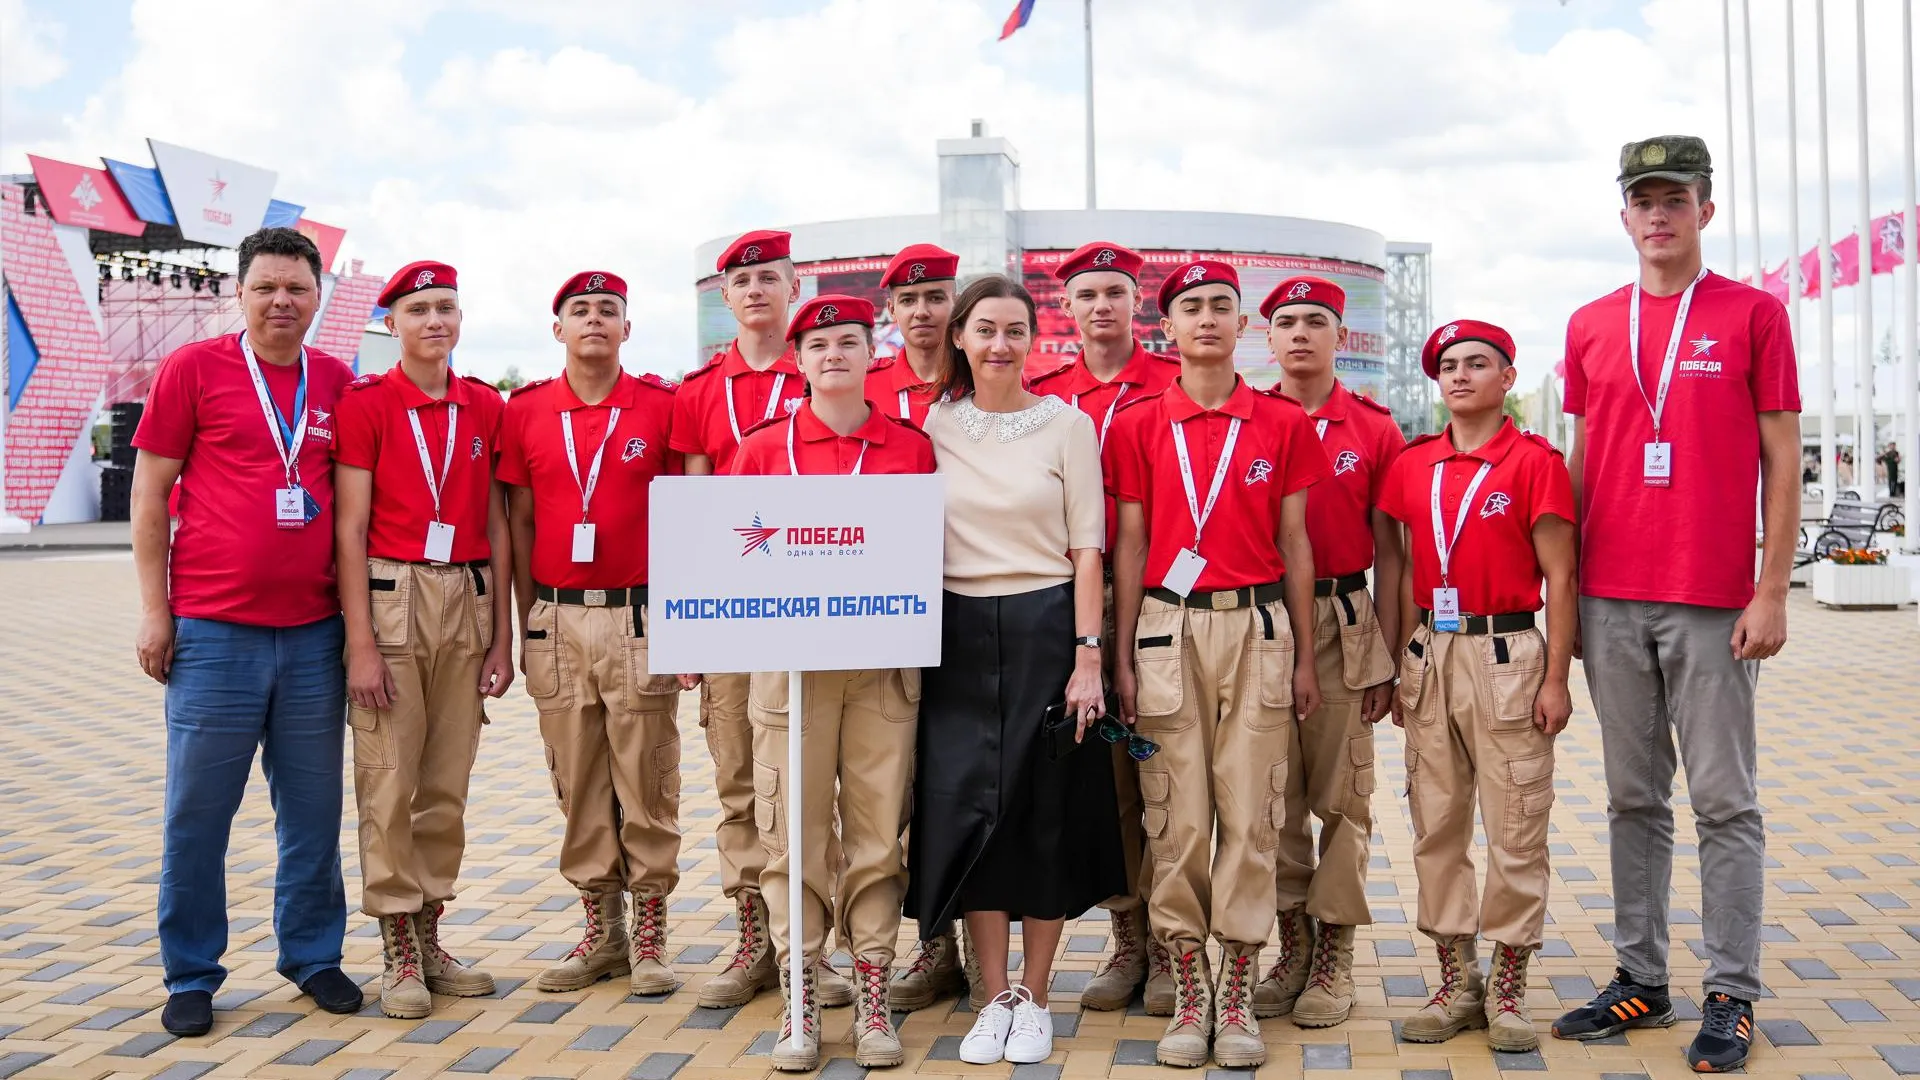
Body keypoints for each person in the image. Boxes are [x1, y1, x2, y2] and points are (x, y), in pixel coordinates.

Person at [1550, 137, 1802, 1074]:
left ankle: (1731, 988)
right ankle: (1641, 977)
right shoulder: (1588, 323)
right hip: (1612, 595)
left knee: (1725, 801)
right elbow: (1584, 460)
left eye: (1676, 199)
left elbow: (1784, 461)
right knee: (1629, 797)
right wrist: (1566, 602)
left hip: (1711, 598)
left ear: (1705, 210)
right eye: (1642, 200)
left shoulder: (1753, 316)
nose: (1658, 215)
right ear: (1624, 217)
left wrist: (1771, 587)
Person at [130, 227, 363, 1036]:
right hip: (214, 635)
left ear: (317, 295)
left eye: (296, 288)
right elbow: (151, 496)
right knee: (197, 814)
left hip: (311, 638)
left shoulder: (338, 381)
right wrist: (157, 611)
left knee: (311, 814)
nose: (281, 302)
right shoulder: (193, 370)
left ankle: (313, 957)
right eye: (265, 287)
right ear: (241, 293)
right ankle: (191, 972)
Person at [1107, 260, 1328, 1069]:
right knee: (1176, 815)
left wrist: (1306, 654)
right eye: (1191, 306)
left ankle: (1237, 988)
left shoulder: (1279, 422)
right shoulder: (1136, 422)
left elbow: (1297, 543)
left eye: (1222, 306)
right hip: (1167, 629)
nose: (1207, 317)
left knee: (1254, 813)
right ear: (1167, 327)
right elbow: (1130, 543)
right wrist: (1122, 654)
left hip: (1259, 625)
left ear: (1244, 326)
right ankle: (1187, 988)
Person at [907, 274, 1123, 1067]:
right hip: (955, 631)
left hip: (1046, 628)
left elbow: (1087, 549)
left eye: (1015, 330)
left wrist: (1087, 656)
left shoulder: (1068, 426)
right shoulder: (930, 427)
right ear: (959, 337)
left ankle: (1036, 994)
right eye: (985, 329)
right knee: (972, 811)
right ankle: (990, 995)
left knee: (1043, 809)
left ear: (1035, 340)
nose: (1000, 344)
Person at [733, 295, 938, 1071]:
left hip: (883, 667)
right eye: (819, 345)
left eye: (849, 342)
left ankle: (875, 984)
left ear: (869, 352)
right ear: (799, 359)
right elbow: (729, 554)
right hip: (793, 672)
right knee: (794, 834)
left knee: (880, 833)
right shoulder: (763, 449)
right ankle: (802, 992)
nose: (834, 357)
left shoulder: (908, 448)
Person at [1382, 320, 1576, 1053]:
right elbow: (1396, 567)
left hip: (1508, 653)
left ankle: (1508, 985)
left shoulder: (1533, 463)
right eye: (1449, 366)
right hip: (1433, 650)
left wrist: (1555, 677)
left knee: (1516, 824)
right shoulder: (1414, 465)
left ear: (1505, 378)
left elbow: (1561, 575)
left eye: (1478, 364)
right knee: (1437, 823)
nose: (1460, 376)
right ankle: (1455, 977)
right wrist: (1403, 659)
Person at [670, 230, 849, 1010]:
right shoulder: (700, 389)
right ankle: (755, 940)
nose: (753, 291)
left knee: (820, 784)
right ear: (725, 295)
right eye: (739, 281)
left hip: (828, 604)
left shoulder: (833, 369)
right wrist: (696, 627)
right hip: (742, 611)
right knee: (743, 778)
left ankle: (823, 949)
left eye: (768, 278)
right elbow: (698, 509)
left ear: (792, 285)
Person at [498, 272, 685, 996]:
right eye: (581, 310)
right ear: (559, 331)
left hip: (639, 616)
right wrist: (521, 628)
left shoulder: (660, 408)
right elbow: (515, 523)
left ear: (628, 329)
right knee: (575, 780)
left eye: (609, 310)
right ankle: (600, 929)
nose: (595, 320)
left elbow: (685, 516)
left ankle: (650, 934)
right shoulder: (527, 412)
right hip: (556, 616)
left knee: (648, 778)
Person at [332, 261, 511, 1017]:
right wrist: (361, 643)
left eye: (447, 308)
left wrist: (504, 637)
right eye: (419, 310)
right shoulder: (367, 404)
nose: (435, 320)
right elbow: (348, 529)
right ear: (392, 324)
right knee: (388, 778)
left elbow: (500, 522)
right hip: (392, 594)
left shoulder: (483, 406)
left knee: (445, 785)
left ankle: (431, 930)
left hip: (466, 597)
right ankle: (396, 946)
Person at [1028, 241, 1183, 1016]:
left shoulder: (1176, 385)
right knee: (1107, 781)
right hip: (1068, 606)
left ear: (1137, 303)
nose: (1101, 307)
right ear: (1067, 308)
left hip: (1156, 607)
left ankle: (1172, 946)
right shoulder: (1046, 396)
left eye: (1115, 293)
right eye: (1086, 294)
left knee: (1159, 769)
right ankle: (1128, 937)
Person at [1256, 275, 1405, 1028]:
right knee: (1272, 794)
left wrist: (1390, 656)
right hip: (1263, 621)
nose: (1302, 333)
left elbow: (1393, 554)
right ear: (1270, 337)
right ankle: (1291, 941)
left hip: (1345, 621)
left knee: (1344, 798)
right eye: (1287, 322)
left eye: (1317, 321)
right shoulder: (1247, 418)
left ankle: (1335, 953)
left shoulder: (1375, 429)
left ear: (1340, 338)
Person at [869, 244, 957, 429]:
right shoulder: (863, 389)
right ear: (892, 310)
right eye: (908, 300)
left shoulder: (982, 382)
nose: (921, 312)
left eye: (935, 298)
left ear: (956, 303)